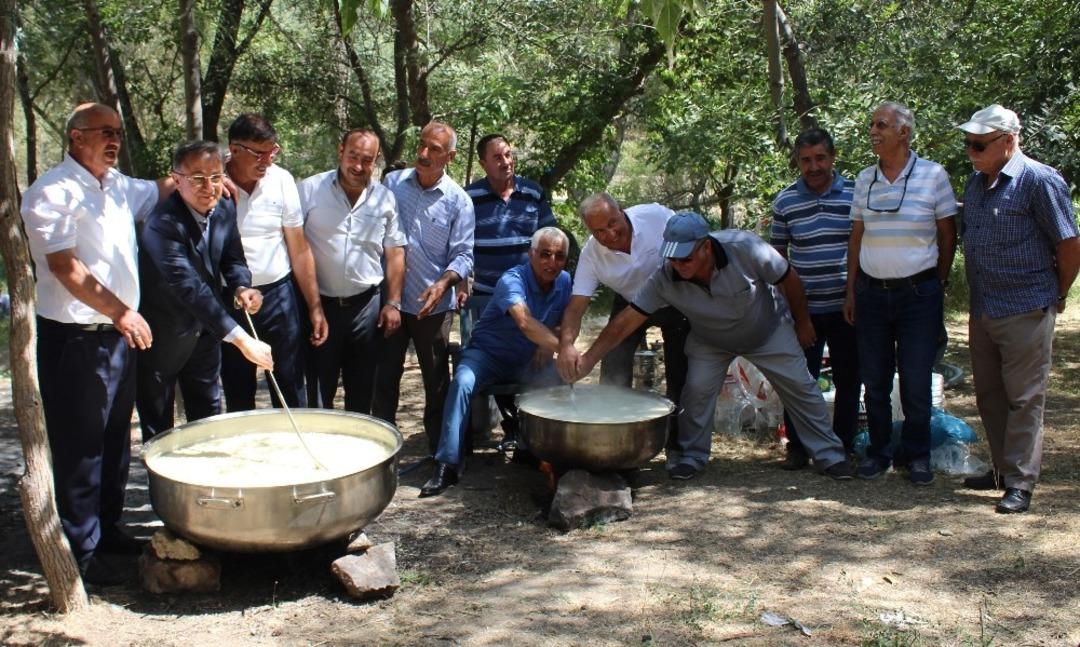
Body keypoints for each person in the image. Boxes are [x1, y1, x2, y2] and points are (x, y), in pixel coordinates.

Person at [562, 212, 855, 481]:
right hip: (711, 340)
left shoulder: (745, 247)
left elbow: (789, 279)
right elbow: (625, 322)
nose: (678, 265)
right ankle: (692, 456)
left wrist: (802, 323)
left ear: (705, 247)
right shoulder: (665, 276)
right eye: (672, 258)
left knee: (802, 386)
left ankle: (830, 455)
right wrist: (589, 359)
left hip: (768, 331)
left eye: (685, 258)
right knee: (696, 392)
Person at [21, 103, 166, 584]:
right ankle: (81, 550)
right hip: (77, 340)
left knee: (114, 441)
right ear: (76, 137)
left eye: (118, 133)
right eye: (105, 132)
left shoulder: (119, 186)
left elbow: (163, 188)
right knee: (80, 446)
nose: (115, 141)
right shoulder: (51, 192)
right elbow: (65, 268)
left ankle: (108, 528)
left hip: (118, 338)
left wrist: (206, 174)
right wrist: (121, 312)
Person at [956, 104, 1079, 513]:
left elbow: (1068, 244)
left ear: (1008, 141)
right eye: (968, 143)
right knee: (990, 395)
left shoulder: (1039, 181)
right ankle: (1002, 470)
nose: (971, 151)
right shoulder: (976, 184)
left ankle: (1022, 482)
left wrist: (1056, 295)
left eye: (978, 144)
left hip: (1026, 304)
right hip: (984, 307)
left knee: (1024, 397)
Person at [843, 102, 957, 485]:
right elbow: (856, 237)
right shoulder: (864, 179)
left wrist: (936, 284)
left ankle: (918, 455)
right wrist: (851, 291)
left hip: (917, 295)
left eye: (881, 125)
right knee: (873, 378)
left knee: (915, 377)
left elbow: (947, 234)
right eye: (872, 125)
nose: (873, 131)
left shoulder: (933, 175)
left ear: (904, 132)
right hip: (872, 294)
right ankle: (879, 454)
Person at [136, 140, 273, 441]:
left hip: (205, 337)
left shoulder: (224, 205)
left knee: (209, 422)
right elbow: (191, 289)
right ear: (176, 179)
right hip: (162, 338)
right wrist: (243, 341)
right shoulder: (162, 223)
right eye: (197, 178)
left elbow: (233, 256)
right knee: (160, 431)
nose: (208, 187)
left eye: (215, 177)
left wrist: (241, 287)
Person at [420, 227, 572, 497]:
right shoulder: (512, 280)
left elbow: (567, 321)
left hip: (528, 359)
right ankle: (447, 463)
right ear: (531, 254)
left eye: (559, 256)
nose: (552, 262)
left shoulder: (565, 282)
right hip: (487, 355)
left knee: (559, 381)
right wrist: (563, 348)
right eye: (545, 254)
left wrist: (550, 344)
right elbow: (524, 321)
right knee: (462, 383)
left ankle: (542, 452)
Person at [556, 193, 689, 449]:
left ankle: (677, 443)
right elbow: (576, 307)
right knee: (613, 363)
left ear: (622, 210)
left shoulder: (656, 216)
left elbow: (688, 246)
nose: (609, 234)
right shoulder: (591, 254)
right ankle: (614, 435)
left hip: (675, 299)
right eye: (599, 231)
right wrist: (567, 345)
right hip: (629, 301)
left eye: (612, 223)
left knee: (680, 370)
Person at [374, 122, 475, 451]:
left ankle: (440, 450)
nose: (423, 153)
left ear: (450, 156)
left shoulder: (458, 201)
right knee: (384, 378)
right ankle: (381, 448)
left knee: (436, 382)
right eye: (422, 145)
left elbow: (463, 255)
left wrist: (445, 283)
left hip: (433, 308)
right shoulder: (392, 184)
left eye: (434, 149)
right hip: (390, 302)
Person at [221, 114, 326, 411]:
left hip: (278, 296)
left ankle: (295, 450)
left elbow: (299, 247)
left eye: (272, 151)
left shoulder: (281, 180)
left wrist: (315, 307)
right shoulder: (213, 182)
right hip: (230, 298)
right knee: (238, 388)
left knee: (290, 383)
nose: (266, 161)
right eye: (259, 153)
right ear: (234, 149)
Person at [298, 128, 407, 412]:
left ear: (377, 160)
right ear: (340, 151)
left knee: (362, 394)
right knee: (320, 394)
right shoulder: (309, 190)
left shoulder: (385, 199)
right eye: (353, 156)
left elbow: (395, 252)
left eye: (367, 159)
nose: (358, 166)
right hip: (319, 309)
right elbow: (293, 246)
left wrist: (393, 302)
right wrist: (312, 307)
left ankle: (357, 455)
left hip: (366, 310)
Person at [770, 128, 859, 469]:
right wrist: (794, 313)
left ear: (833, 157)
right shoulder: (785, 201)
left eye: (820, 158)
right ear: (797, 162)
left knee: (850, 378)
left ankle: (844, 444)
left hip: (847, 307)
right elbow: (777, 261)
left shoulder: (855, 194)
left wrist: (855, 294)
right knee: (799, 380)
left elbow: (862, 247)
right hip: (803, 309)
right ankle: (797, 445)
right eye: (806, 160)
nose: (814, 166)